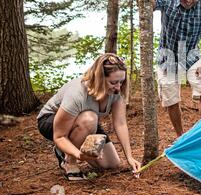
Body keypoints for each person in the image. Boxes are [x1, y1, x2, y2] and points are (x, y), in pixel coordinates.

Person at [37, 53, 141, 181]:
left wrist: (129, 157)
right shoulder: (78, 93)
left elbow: (120, 124)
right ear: (100, 79)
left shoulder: (117, 91)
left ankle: (64, 149)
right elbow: (59, 136)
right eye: (114, 82)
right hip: (51, 121)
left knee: (111, 164)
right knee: (90, 118)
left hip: (86, 121)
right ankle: (69, 161)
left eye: (121, 81)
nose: (119, 87)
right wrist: (78, 155)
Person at [145, 0, 201, 137]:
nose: (190, 0)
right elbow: (144, 2)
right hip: (167, 57)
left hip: (192, 56)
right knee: (171, 99)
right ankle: (181, 138)